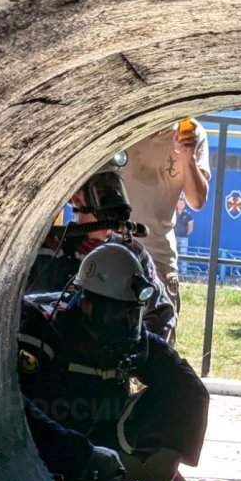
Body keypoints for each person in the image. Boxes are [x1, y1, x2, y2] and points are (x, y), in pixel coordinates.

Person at [19, 242, 209, 481]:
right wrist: (79, 454)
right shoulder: (43, 332)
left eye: (132, 317)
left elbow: (189, 388)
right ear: (86, 305)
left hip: (102, 446)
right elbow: (16, 416)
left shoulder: (134, 339)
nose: (125, 327)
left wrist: (168, 456)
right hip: (43, 455)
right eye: (115, 316)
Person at [26, 159, 176, 341]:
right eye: (103, 190)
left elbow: (161, 313)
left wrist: (140, 353)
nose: (113, 196)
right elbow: (25, 308)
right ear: (77, 199)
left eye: (116, 187)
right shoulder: (50, 250)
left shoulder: (132, 253)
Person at [120, 120, 210, 324]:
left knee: (159, 347)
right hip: (114, 253)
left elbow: (197, 200)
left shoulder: (191, 132)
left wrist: (189, 156)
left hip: (158, 260)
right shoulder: (126, 121)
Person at [174, 191, 194, 267]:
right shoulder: (173, 213)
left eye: (182, 203)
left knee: (183, 255)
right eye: (179, 202)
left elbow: (190, 227)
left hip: (183, 238)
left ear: (184, 204)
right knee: (173, 254)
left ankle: (183, 271)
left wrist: (186, 234)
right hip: (173, 237)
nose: (181, 204)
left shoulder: (187, 214)